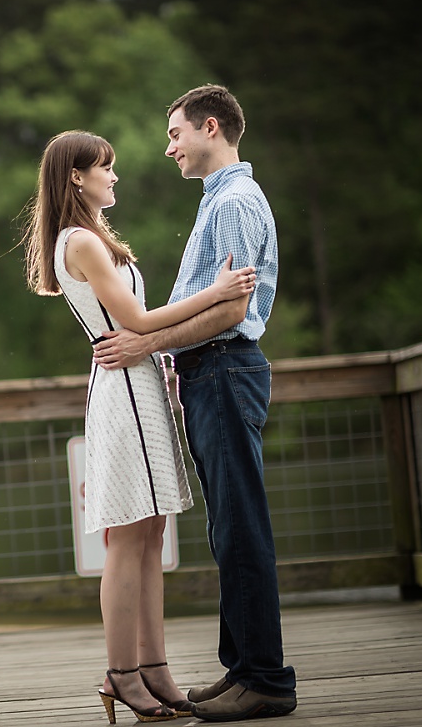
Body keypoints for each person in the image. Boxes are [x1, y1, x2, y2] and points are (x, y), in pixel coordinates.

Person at [21, 130, 256, 723]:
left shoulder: (93, 239)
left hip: (141, 384)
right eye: (107, 168)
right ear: (77, 176)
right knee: (128, 536)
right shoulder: (80, 242)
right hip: (123, 391)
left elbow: (139, 330)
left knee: (152, 532)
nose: (115, 176)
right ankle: (121, 673)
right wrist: (218, 292)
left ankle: (156, 669)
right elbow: (138, 319)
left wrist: (159, 357)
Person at [92, 84, 298, 721]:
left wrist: (145, 343)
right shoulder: (219, 200)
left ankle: (264, 678)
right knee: (227, 527)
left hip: (226, 370)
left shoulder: (234, 200)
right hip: (212, 375)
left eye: (176, 133)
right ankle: (244, 671)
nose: (168, 146)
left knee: (241, 527)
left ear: (211, 128)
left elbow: (232, 309)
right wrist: (160, 349)